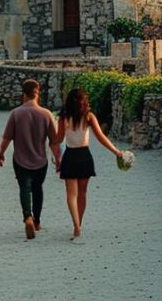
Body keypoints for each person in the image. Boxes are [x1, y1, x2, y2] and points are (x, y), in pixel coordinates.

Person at [0, 78, 62, 240]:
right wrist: (58, 160)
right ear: (37, 94)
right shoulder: (46, 114)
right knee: (37, 188)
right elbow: (54, 142)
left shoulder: (16, 113)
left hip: (20, 159)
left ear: (24, 95)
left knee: (24, 188)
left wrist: (1, 153)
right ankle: (37, 222)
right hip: (41, 160)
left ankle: (27, 216)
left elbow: (7, 138)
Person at [56, 87, 123, 240]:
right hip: (85, 156)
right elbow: (100, 137)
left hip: (70, 156)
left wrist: (55, 155)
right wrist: (116, 151)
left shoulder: (63, 117)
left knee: (71, 195)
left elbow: (58, 140)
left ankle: (76, 226)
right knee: (82, 193)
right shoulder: (89, 116)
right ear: (83, 101)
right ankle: (80, 222)